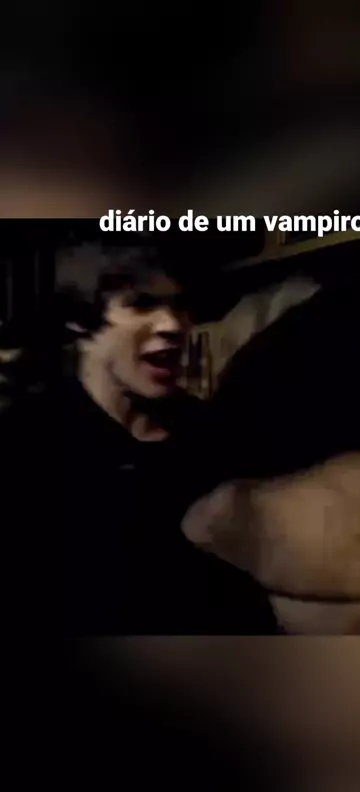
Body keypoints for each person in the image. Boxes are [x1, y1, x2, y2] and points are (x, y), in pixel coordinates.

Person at [4, 245, 277, 635]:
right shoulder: (27, 443)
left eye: (180, 306)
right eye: (142, 304)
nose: (173, 324)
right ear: (80, 324)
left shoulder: (215, 434)